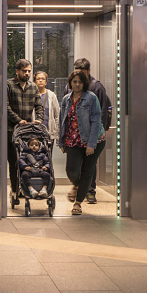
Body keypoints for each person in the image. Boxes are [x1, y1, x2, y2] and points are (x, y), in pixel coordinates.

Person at [58, 69, 102, 215]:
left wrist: (91, 144)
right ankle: (78, 185)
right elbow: (62, 121)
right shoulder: (66, 99)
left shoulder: (91, 98)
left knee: (87, 172)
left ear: (84, 83)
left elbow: (96, 121)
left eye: (80, 82)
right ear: (70, 83)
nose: (77, 84)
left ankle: (78, 203)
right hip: (73, 140)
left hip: (93, 140)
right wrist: (62, 141)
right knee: (71, 170)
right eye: (74, 81)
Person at [72, 58, 113, 204]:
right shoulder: (70, 85)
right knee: (75, 164)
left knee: (90, 164)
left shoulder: (97, 88)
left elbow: (101, 113)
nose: (79, 78)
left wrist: (95, 137)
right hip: (76, 134)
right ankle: (79, 187)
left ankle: (90, 191)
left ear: (89, 72)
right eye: (77, 73)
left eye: (82, 74)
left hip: (92, 134)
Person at [6, 59, 41, 205]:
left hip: (27, 132)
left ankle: (24, 188)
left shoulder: (33, 87)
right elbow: (5, 106)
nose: (27, 73)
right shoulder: (9, 85)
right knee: (14, 162)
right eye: (24, 71)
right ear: (17, 71)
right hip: (11, 130)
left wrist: (39, 118)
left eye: (29, 71)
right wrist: (18, 119)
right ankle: (15, 190)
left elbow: (39, 105)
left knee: (26, 161)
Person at [34, 71, 60, 144]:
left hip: (48, 132)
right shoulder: (31, 95)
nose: (40, 80)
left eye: (43, 79)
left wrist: (58, 134)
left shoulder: (52, 95)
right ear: (35, 81)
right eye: (38, 79)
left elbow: (57, 115)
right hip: (34, 133)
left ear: (46, 82)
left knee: (48, 154)